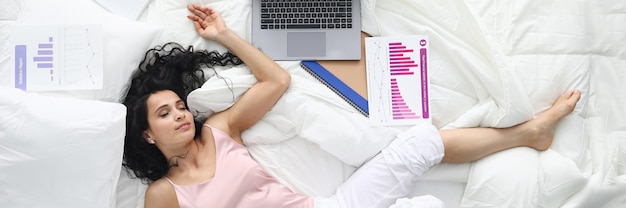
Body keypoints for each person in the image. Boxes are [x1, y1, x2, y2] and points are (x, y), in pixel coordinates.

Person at [121, 4, 582, 208]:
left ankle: (529, 133)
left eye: (179, 106)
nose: (181, 115)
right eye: (165, 114)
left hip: (330, 206)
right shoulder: (163, 195)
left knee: (420, 141)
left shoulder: (220, 129)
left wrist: (224, 36)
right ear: (146, 134)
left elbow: (277, 80)